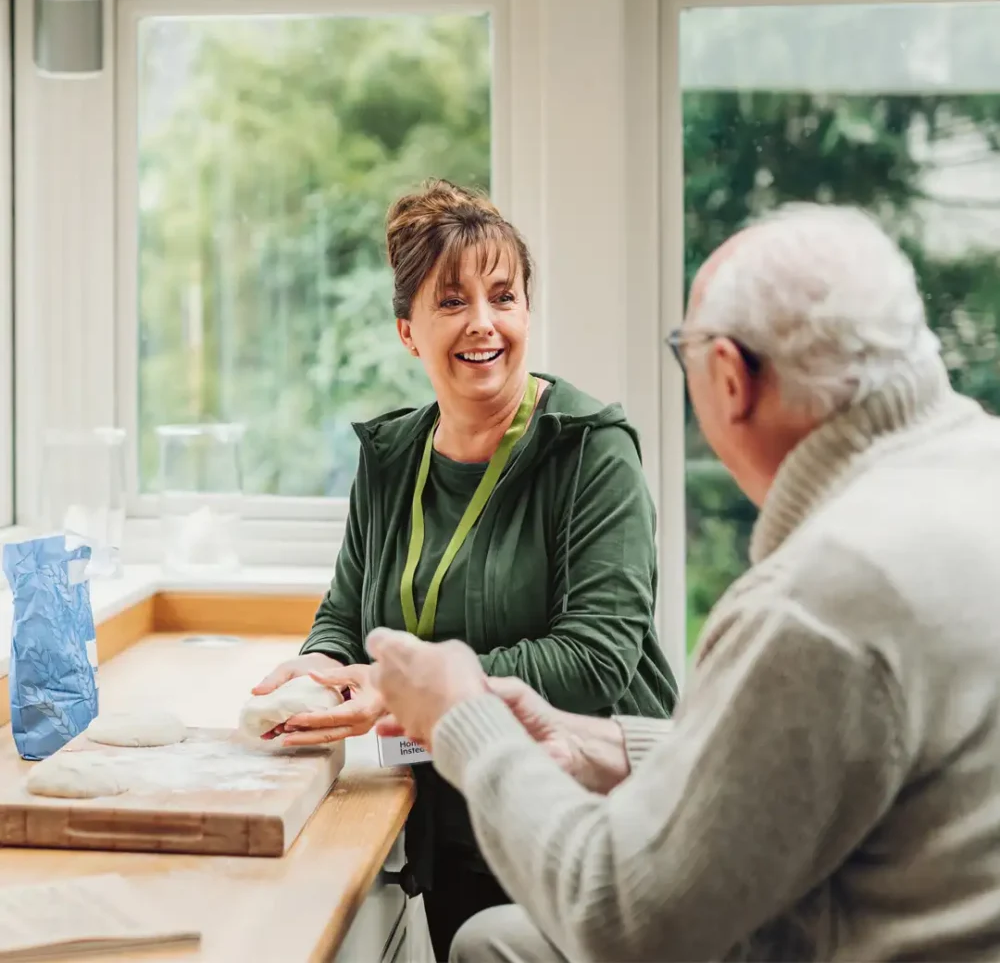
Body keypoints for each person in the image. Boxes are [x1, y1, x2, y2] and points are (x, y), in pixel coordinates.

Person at [365, 203, 1000, 962]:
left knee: (485, 947)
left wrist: (467, 722)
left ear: (728, 377)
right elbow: (804, 755)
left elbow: (623, 916)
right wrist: (608, 743)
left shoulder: (819, 600)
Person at [251, 180, 678, 961]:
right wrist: (319, 669)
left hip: (587, 820)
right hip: (449, 822)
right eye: (452, 301)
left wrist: (409, 696)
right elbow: (348, 612)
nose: (484, 323)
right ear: (409, 331)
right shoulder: (391, 457)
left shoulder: (590, 449)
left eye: (503, 296)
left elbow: (593, 663)